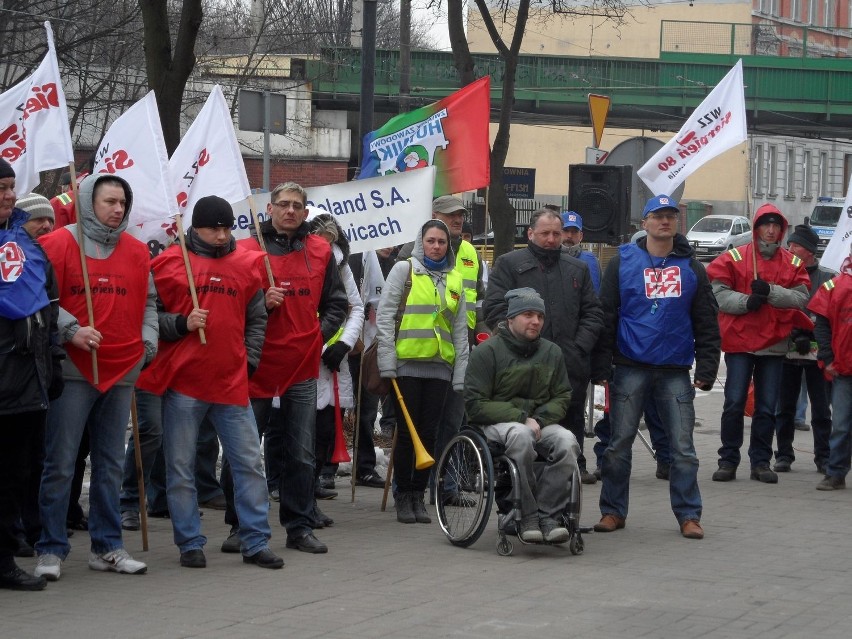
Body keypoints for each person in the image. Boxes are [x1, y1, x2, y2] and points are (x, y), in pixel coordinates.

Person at [136, 196, 282, 569]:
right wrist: (181, 323)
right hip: (184, 384)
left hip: (231, 384)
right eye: (212, 228)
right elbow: (151, 316)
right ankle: (189, 542)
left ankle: (254, 540)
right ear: (194, 228)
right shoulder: (169, 264)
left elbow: (257, 318)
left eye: (226, 227)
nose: (220, 235)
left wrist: (249, 359)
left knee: (249, 463)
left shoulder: (248, 264)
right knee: (181, 467)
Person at [35, 174, 157, 581]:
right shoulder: (58, 243)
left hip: (121, 371)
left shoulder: (138, 251)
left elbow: (149, 303)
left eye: (123, 201)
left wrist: (148, 344)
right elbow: (39, 297)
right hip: (72, 372)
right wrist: (71, 329)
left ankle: (107, 547)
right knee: (60, 463)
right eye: (109, 201)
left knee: (108, 465)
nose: (118, 209)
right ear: (89, 201)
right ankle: (50, 548)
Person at [593, 194, 720, 539]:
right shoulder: (622, 263)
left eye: (670, 217)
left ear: (676, 223)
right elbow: (606, 315)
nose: (664, 222)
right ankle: (612, 511)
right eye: (657, 216)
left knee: (683, 449)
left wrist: (707, 368)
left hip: (675, 370)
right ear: (644, 223)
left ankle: (689, 515)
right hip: (629, 366)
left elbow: (706, 319)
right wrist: (601, 365)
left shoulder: (692, 268)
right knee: (618, 444)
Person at [235, 182, 347, 555]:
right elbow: (230, 309)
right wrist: (260, 304)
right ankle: (239, 526)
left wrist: (319, 335)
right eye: (283, 204)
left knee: (301, 453)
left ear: (305, 211)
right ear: (269, 209)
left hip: (302, 365)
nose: (290, 211)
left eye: (297, 206)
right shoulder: (248, 251)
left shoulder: (320, 250)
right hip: (256, 366)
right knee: (245, 450)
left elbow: (337, 303)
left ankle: (299, 527)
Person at [484, 207, 603, 484]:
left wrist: (577, 347)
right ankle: (523, 501)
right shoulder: (509, 264)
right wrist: (518, 344)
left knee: (567, 438)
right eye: (545, 233)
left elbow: (593, 313)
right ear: (530, 233)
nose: (551, 239)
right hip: (520, 371)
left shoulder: (578, 268)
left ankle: (563, 508)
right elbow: (494, 309)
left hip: (568, 368)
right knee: (526, 436)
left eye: (556, 233)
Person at [464, 287, 579, 543]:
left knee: (567, 442)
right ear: (511, 319)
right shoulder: (487, 352)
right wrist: (520, 417)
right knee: (521, 435)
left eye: (540, 316)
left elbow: (562, 395)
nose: (535, 321)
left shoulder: (552, 352)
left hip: (538, 422)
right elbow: (475, 404)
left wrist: (539, 419)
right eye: (528, 315)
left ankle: (549, 515)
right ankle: (526, 514)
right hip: (495, 423)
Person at [706, 203, 810, 484]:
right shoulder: (734, 257)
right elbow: (717, 292)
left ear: (782, 230)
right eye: (766, 224)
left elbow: (802, 297)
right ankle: (728, 460)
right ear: (757, 227)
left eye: (776, 226)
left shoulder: (793, 263)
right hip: (740, 342)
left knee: (766, 406)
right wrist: (746, 302)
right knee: (734, 402)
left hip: (774, 345)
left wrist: (771, 292)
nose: (771, 230)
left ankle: (761, 462)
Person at [377, 219, 469, 524]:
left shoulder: (455, 279)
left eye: (441, 242)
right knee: (407, 434)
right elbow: (386, 316)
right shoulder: (404, 270)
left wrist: (460, 373)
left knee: (429, 433)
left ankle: (419, 494)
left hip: (440, 368)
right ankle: (404, 494)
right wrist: (387, 361)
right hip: (406, 365)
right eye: (431, 240)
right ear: (421, 242)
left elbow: (459, 331)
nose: (437, 246)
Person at [0, 159, 62, 591]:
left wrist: (51, 360)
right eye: (0, 188)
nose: (7, 195)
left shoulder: (25, 244)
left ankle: (4, 561)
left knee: (12, 476)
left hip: (25, 380)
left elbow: (48, 306)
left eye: (9, 187)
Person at [397, 196, 488, 478]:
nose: (457, 219)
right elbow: (396, 302)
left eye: (460, 214)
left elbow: (478, 301)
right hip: (416, 352)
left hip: (459, 351)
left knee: (451, 421)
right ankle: (408, 487)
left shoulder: (472, 254)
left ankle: (444, 485)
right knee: (417, 427)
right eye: (451, 215)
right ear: (434, 214)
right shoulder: (409, 253)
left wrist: (481, 333)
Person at [308, 213, 364, 510]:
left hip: (332, 360)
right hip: (299, 357)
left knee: (326, 428)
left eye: (330, 241)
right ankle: (282, 484)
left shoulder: (339, 264)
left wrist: (342, 344)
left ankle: (313, 484)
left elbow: (354, 306)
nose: (325, 246)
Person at [773, 224, 835, 474]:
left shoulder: (828, 278)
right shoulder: (783, 274)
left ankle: (823, 456)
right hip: (787, 351)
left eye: (795, 245)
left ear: (808, 251)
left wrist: (808, 330)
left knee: (821, 409)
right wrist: (794, 330)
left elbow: (830, 313)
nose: (790, 249)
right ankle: (784, 455)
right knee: (784, 407)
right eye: (789, 245)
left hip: (818, 354)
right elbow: (777, 307)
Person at [341, 246, 397, 487]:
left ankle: (364, 466)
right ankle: (324, 467)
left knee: (367, 407)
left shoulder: (380, 257)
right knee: (332, 407)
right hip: (337, 341)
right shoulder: (346, 254)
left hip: (366, 343)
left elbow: (380, 298)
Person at [808, 247, 852, 490]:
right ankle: (836, 473)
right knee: (842, 424)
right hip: (844, 370)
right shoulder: (834, 286)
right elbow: (821, 324)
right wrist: (828, 357)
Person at [560, 210, 601, 293]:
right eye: (566, 230)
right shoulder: (549, 258)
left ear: (581, 236)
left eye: (574, 231)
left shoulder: (592, 261)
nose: (569, 235)